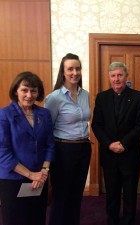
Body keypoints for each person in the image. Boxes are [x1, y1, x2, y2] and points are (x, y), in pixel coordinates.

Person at [91, 62, 140, 225]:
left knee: (130, 194)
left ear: (126, 76)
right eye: (113, 75)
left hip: (130, 153)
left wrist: (123, 143)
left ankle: (129, 221)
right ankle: (112, 220)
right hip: (109, 155)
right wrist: (109, 144)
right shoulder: (102, 97)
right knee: (112, 193)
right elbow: (97, 125)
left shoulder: (138, 97)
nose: (116, 79)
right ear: (109, 77)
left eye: (120, 75)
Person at [0, 71, 55, 225]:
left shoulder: (44, 114)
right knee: (16, 220)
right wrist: (31, 175)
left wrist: (44, 171)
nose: (29, 95)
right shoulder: (4, 115)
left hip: (39, 178)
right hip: (13, 178)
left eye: (33, 90)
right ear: (16, 91)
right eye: (24, 90)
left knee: (37, 218)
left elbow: (50, 144)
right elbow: (3, 153)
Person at [45, 53, 92, 225]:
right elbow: (46, 130)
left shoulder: (85, 94)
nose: (75, 72)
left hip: (84, 148)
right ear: (63, 72)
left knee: (76, 195)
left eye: (77, 68)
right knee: (61, 196)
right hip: (63, 150)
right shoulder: (54, 98)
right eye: (70, 69)